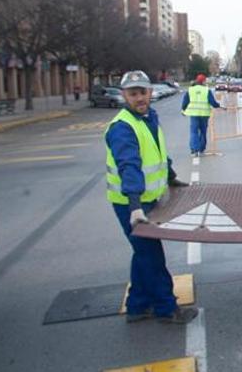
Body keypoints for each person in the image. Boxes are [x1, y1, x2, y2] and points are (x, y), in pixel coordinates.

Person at [105, 70, 197, 324]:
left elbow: (157, 153)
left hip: (147, 200)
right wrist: (135, 207)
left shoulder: (148, 118)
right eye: (133, 94)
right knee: (152, 256)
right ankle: (166, 309)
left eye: (142, 92)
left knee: (142, 254)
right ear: (124, 96)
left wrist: (170, 177)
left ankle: (137, 306)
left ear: (150, 92)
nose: (139, 98)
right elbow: (129, 167)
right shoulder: (123, 127)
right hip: (131, 204)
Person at [182, 74, 220, 157]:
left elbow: (185, 101)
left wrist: (183, 110)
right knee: (203, 132)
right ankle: (201, 149)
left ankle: (194, 150)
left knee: (194, 132)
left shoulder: (190, 90)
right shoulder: (206, 90)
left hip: (194, 114)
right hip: (204, 114)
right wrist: (218, 105)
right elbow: (212, 102)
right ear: (203, 81)